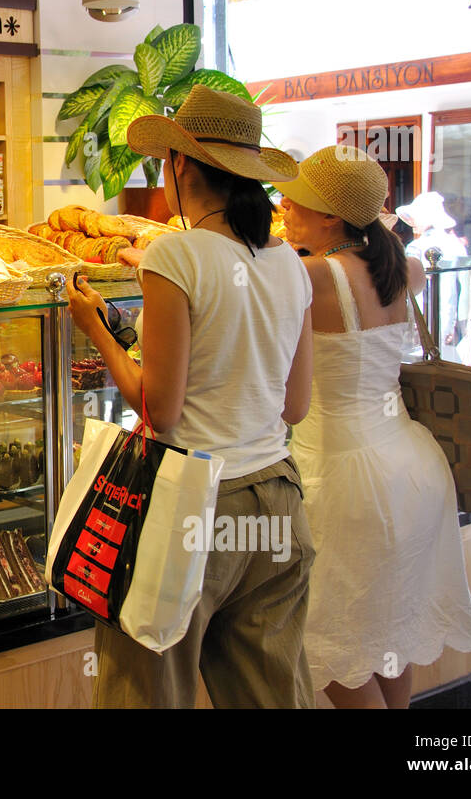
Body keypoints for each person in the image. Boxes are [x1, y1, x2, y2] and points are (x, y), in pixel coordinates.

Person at [67, 85, 316, 709]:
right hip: (276, 497)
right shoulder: (290, 263)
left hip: (191, 507)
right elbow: (294, 406)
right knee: (273, 693)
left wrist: (95, 327)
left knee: (148, 690)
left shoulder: (174, 254)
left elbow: (160, 410)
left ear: (180, 163)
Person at [277, 146, 471, 709]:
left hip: (343, 476)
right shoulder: (405, 266)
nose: (283, 208)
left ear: (330, 217)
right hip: (410, 465)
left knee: (330, 642)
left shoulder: (313, 275)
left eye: (295, 201)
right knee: (386, 632)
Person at [395, 191, 467, 362]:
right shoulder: (455, 245)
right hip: (450, 315)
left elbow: (412, 290)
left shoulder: (417, 247)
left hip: (425, 315)